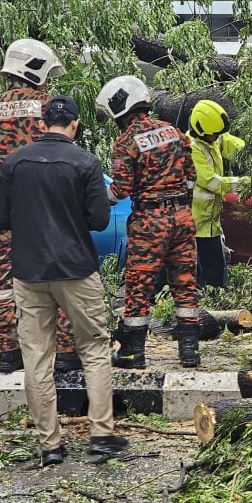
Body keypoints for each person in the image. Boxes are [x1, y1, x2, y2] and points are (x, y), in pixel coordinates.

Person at [0, 96, 127, 465]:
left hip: (29, 272)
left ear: (42, 123)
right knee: (95, 351)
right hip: (76, 270)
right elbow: (99, 221)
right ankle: (101, 436)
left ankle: (50, 445)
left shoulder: (14, 163)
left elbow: (0, 220)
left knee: (36, 358)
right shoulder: (85, 162)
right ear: (75, 124)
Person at [0, 39, 80, 374]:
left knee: (3, 280)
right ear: (34, 68)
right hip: (46, 205)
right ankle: (64, 353)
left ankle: (9, 351)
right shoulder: (51, 107)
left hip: (3, 207)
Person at [96, 75, 201, 369]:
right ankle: (189, 352)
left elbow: (119, 191)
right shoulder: (174, 133)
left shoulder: (126, 141)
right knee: (185, 284)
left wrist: (95, 197)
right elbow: (192, 179)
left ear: (121, 107)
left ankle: (133, 352)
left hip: (149, 221)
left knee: (139, 286)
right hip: (182, 217)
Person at [188, 100, 252, 288]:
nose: (217, 137)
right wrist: (248, 182)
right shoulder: (191, 148)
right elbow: (212, 182)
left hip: (211, 224)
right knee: (202, 279)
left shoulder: (214, 138)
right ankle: (204, 311)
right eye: (214, 134)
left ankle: (214, 305)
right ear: (200, 128)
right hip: (194, 226)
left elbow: (239, 148)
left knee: (217, 276)